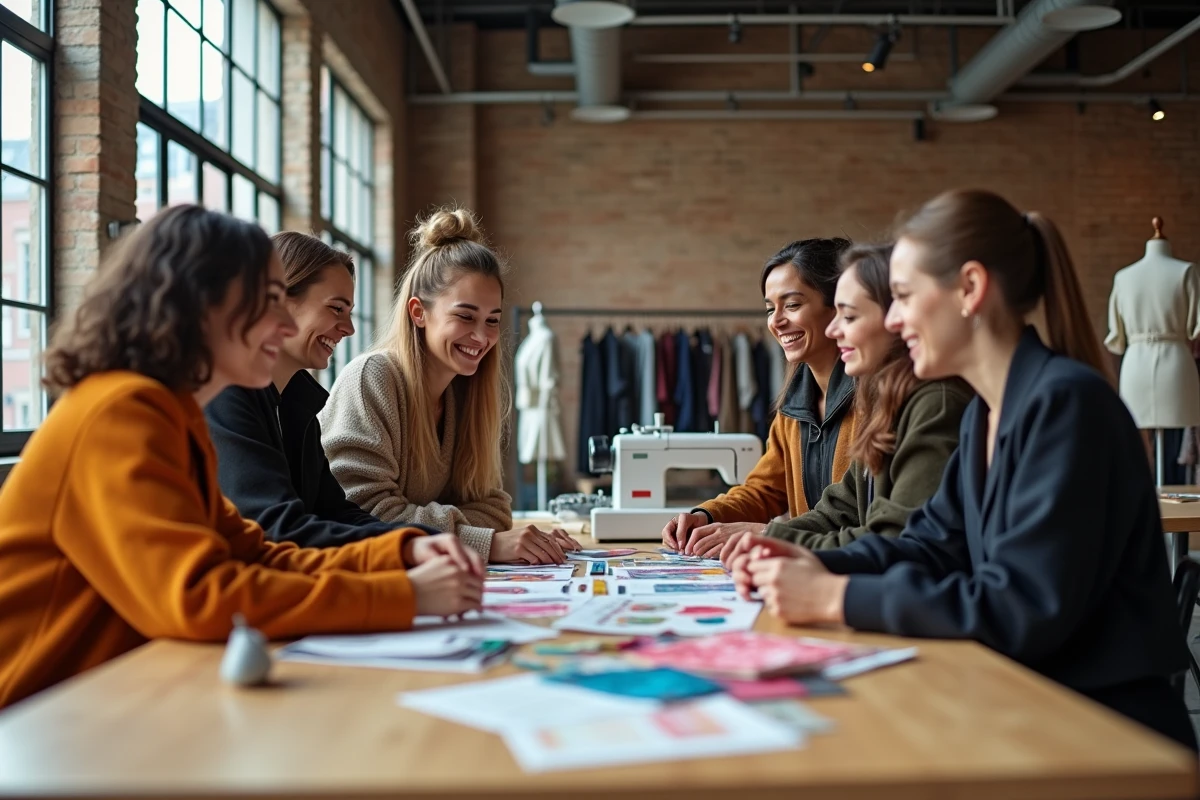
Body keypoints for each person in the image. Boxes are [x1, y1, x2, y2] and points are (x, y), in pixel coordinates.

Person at [732, 189, 1195, 750]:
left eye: (902, 296)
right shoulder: (986, 413)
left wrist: (834, 597)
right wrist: (809, 559)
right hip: (1029, 706)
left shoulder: (1067, 405)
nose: (895, 319)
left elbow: (1020, 606)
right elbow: (928, 544)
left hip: (1103, 733)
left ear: (970, 290)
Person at [0, 205, 483, 711]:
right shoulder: (120, 411)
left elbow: (254, 550)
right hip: (35, 719)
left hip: (101, 702)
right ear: (202, 304)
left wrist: (401, 552)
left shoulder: (173, 414)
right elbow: (198, 595)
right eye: (270, 301)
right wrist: (404, 596)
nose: (282, 323)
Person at [319, 208, 579, 564]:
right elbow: (364, 513)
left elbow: (494, 509)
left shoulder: (465, 394)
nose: (482, 336)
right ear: (418, 312)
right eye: (465, 316)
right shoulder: (371, 379)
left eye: (492, 320)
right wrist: (483, 542)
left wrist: (446, 524)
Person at [715, 244, 972, 561]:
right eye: (770, 309)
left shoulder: (933, 403)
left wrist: (772, 538)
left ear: (895, 318)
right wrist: (718, 519)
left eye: (848, 315)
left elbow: (896, 540)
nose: (835, 329)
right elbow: (838, 511)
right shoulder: (882, 401)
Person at [206, 232, 425, 548]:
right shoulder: (223, 394)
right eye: (337, 309)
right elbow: (275, 528)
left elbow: (335, 514)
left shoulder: (297, 408)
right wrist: (412, 547)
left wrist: (432, 542)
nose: (349, 328)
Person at [662, 238, 859, 554]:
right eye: (770, 308)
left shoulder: (878, 402)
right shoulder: (794, 406)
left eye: (792, 305)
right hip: (809, 566)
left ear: (840, 308)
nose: (776, 321)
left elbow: (866, 521)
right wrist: (707, 515)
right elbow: (766, 489)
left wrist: (771, 532)